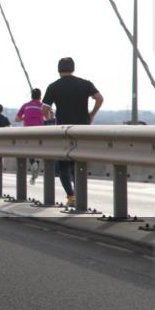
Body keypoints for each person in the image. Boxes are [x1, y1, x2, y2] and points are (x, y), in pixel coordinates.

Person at [42, 57, 103, 207]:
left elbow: (44, 108)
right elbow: (99, 98)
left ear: (58, 69)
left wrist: (49, 116)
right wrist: (92, 114)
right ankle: (81, 195)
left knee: (64, 166)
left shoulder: (53, 86)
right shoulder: (85, 84)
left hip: (64, 130)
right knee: (80, 163)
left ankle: (71, 196)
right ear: (73, 68)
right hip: (82, 129)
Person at [16, 88, 46, 184]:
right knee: (38, 150)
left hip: (27, 131)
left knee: (29, 150)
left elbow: (17, 119)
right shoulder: (42, 106)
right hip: (39, 131)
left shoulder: (26, 105)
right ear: (40, 96)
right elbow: (49, 117)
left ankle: (33, 163)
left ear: (31, 96)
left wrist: (24, 117)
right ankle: (37, 163)